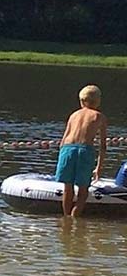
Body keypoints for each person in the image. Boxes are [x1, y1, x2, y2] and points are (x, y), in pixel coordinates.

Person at [57, 85, 108, 217]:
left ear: (81, 101)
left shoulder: (73, 115)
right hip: (85, 150)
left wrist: (61, 156)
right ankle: (74, 218)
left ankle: (66, 218)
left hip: (67, 149)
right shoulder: (99, 116)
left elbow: (63, 140)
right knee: (83, 189)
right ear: (98, 101)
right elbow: (103, 146)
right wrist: (99, 167)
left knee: (68, 188)